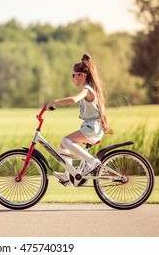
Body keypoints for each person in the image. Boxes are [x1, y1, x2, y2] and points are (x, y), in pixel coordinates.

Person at [46, 53, 113, 184]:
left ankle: (92, 162)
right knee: (63, 145)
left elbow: (73, 100)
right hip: (91, 126)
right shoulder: (90, 88)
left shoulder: (87, 89)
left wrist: (54, 101)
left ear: (81, 75)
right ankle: (68, 174)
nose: (72, 79)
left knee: (65, 140)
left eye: (73, 75)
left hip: (92, 127)